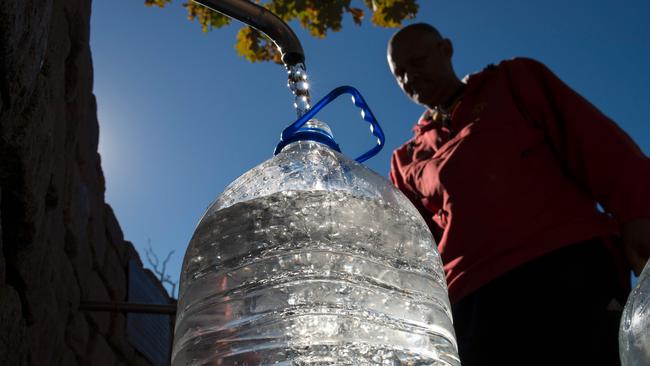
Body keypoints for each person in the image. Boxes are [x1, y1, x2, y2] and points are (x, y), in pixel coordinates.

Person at [386, 23, 650, 366]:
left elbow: (595, 142)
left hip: (567, 265)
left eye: (417, 61)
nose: (411, 77)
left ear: (445, 49)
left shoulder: (513, 81)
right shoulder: (406, 159)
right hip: (475, 300)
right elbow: (413, 249)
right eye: (400, 74)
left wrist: (639, 211)